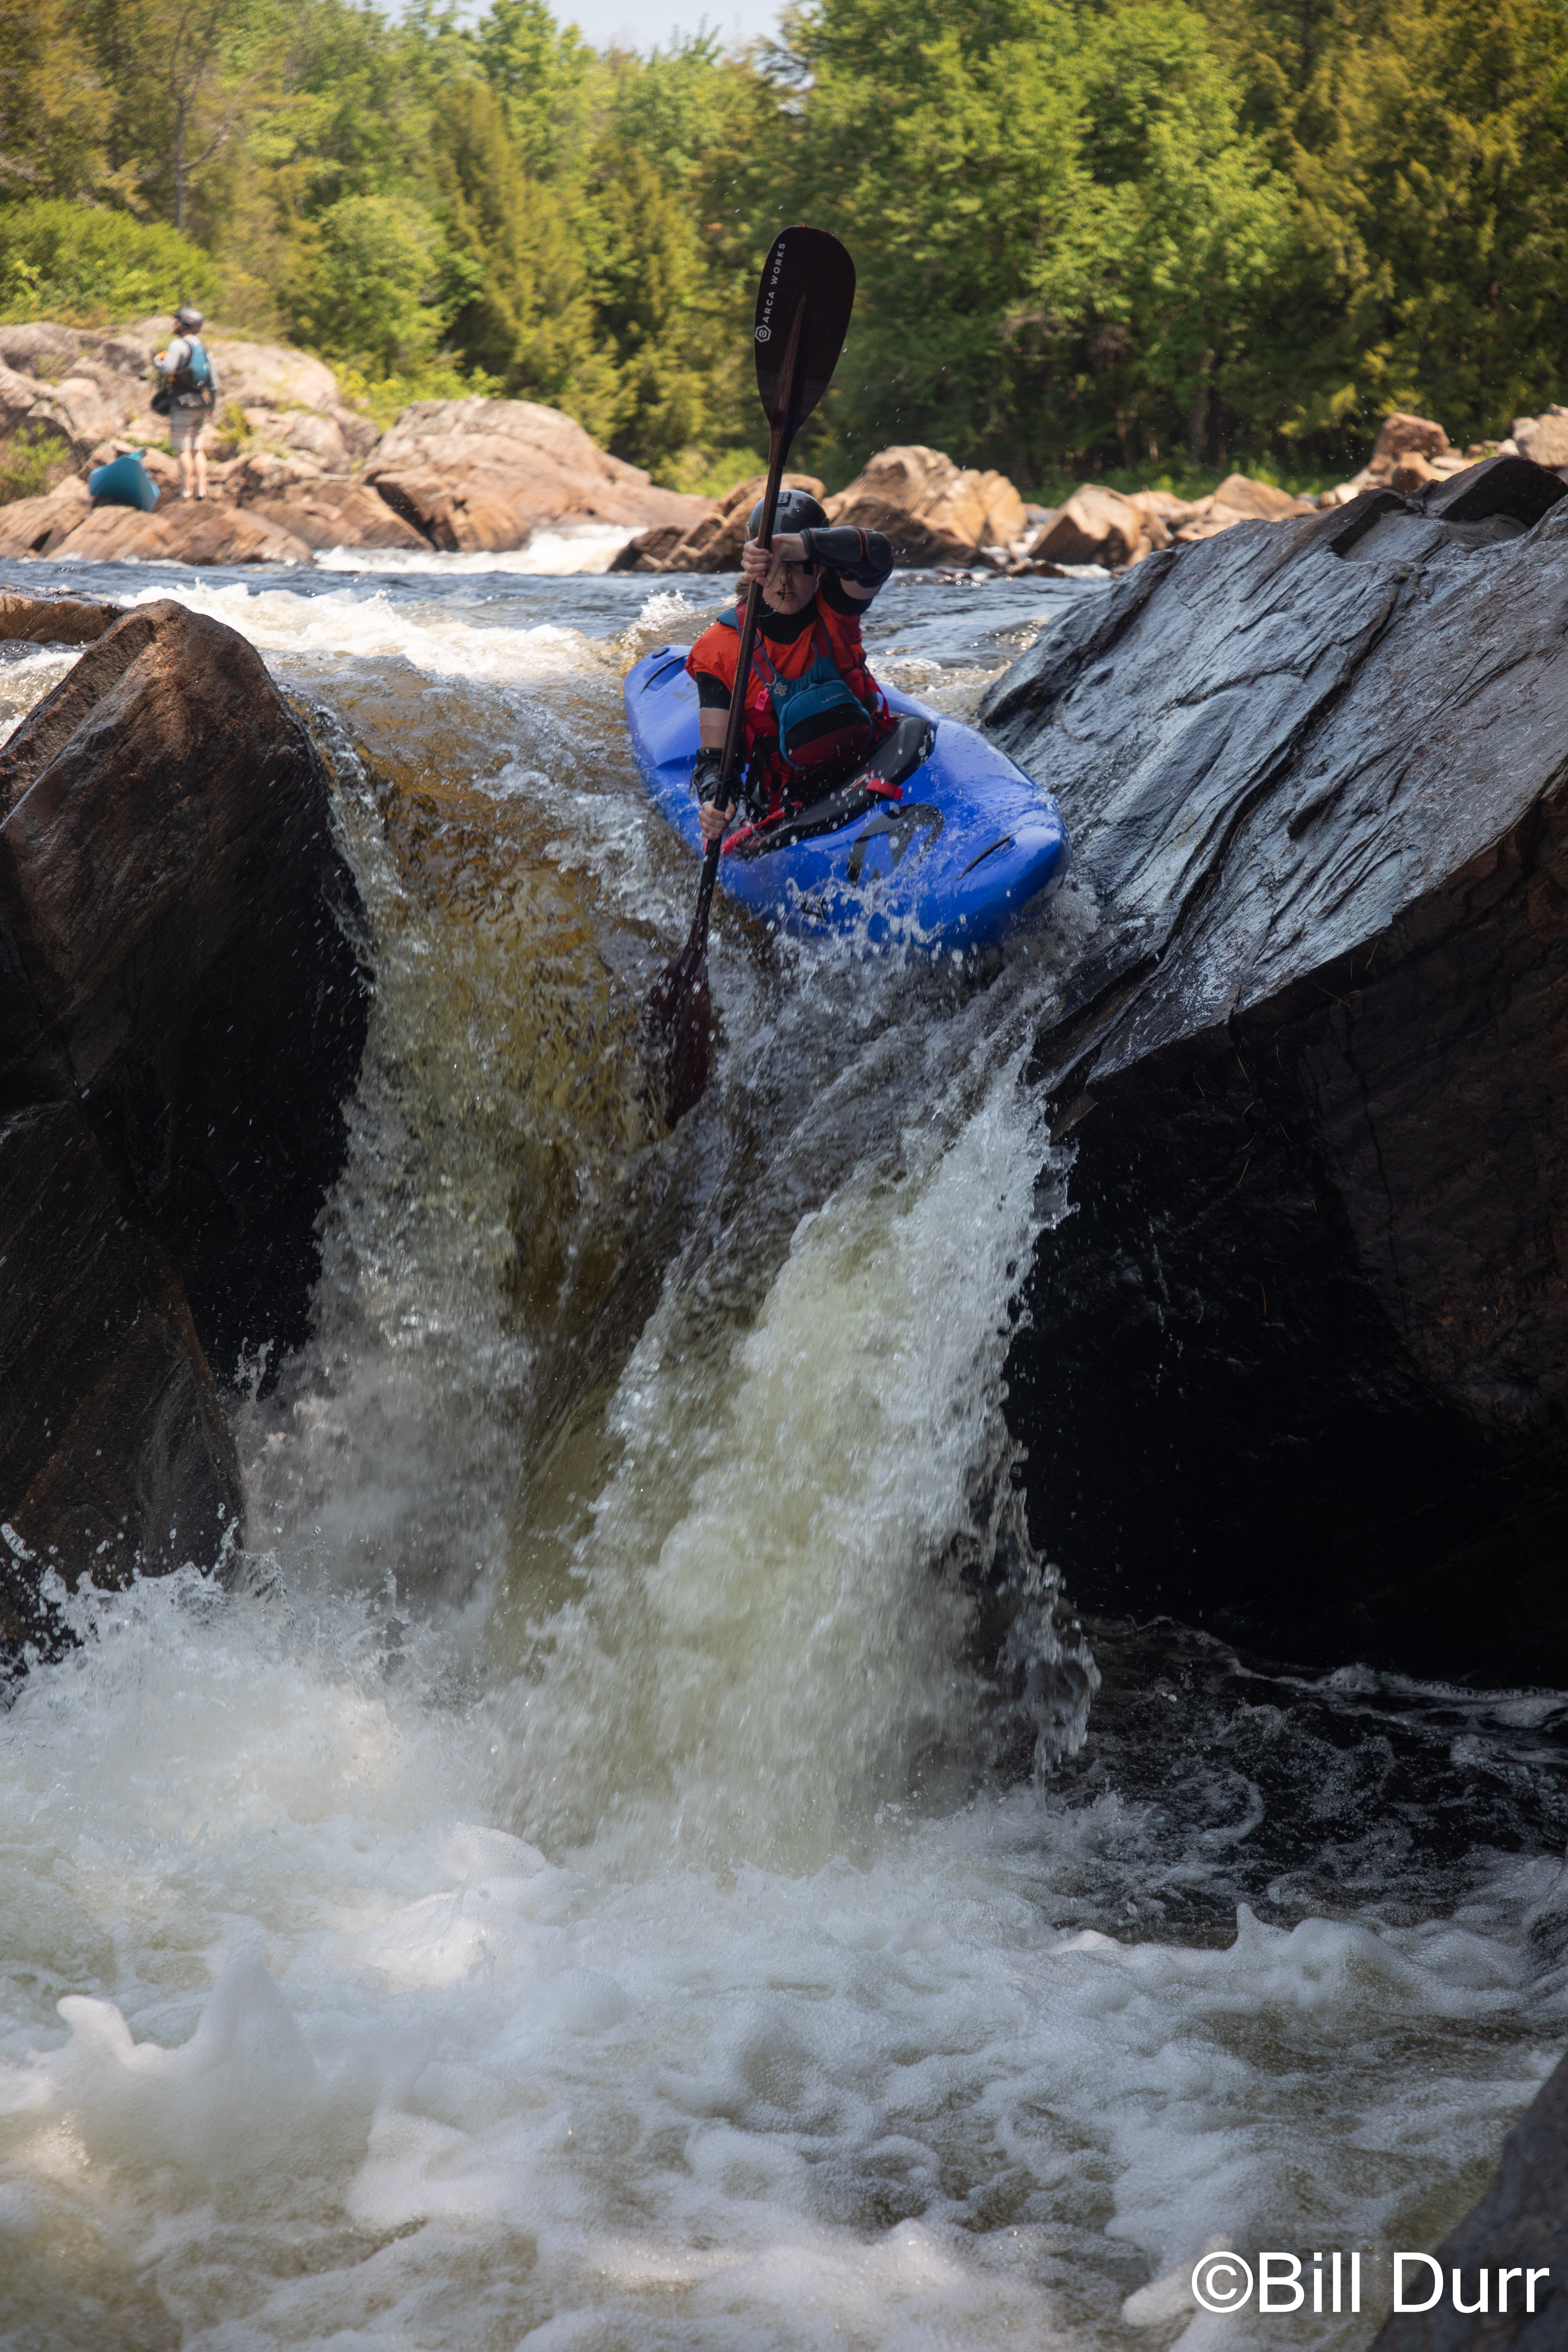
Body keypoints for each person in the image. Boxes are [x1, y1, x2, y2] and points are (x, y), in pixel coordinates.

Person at [685, 489, 897, 842]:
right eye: (773, 565)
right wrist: (715, 800)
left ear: (821, 568)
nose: (785, 579)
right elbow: (717, 761)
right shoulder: (720, 649)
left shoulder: (836, 607)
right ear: (755, 567)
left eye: (798, 566)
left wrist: (797, 546)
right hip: (790, 804)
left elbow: (878, 556)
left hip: (873, 766)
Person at [153, 304, 220, 501]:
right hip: (201, 403)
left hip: (182, 404)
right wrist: (212, 407)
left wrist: (157, 362)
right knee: (197, 449)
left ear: (184, 325)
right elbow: (215, 384)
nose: (174, 324)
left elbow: (167, 370)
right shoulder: (204, 349)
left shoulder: (178, 345)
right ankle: (201, 490)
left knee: (183, 449)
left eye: (177, 321)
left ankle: (186, 491)